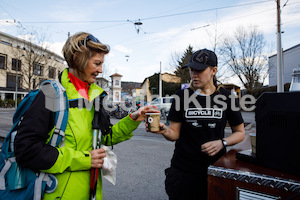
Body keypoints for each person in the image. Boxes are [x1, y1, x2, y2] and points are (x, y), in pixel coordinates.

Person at [14, 32, 158, 200]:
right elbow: (26, 150)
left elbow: (106, 137)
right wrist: (84, 160)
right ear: (78, 59)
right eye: (97, 63)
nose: (100, 70)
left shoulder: (96, 96)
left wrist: (133, 119)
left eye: (101, 64)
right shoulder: (50, 95)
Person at [148, 49, 245, 200]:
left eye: (199, 70)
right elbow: (174, 133)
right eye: (192, 70)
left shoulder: (227, 97)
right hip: (183, 172)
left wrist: (222, 143)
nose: (194, 74)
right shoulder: (181, 97)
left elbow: (240, 133)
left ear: (213, 70)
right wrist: (164, 130)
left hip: (214, 171)